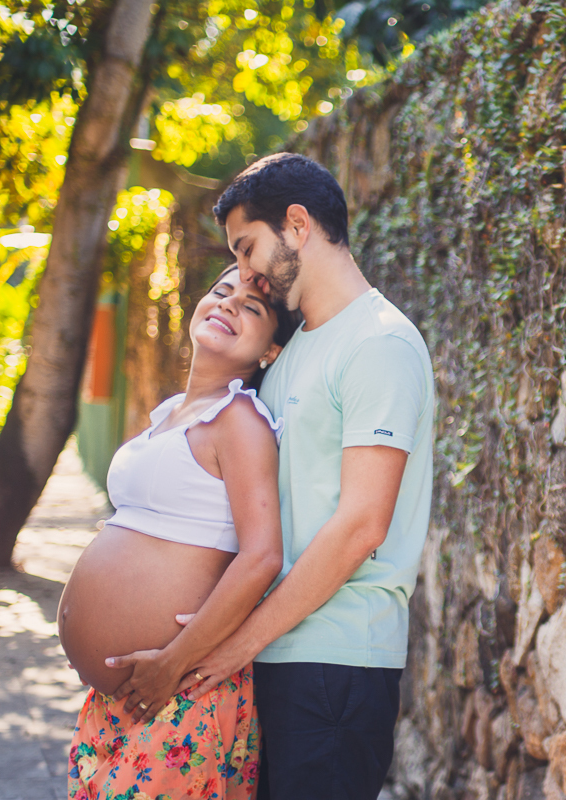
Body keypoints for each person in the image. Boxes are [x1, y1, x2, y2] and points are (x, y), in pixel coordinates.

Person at [168, 152, 436, 799]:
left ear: (296, 224)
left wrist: (237, 645)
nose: (243, 272)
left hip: (334, 665)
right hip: (277, 655)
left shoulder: (379, 344)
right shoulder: (296, 350)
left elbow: (361, 526)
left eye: (247, 248)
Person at [58, 265, 299, 799]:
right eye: (222, 291)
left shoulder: (240, 420)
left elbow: (262, 556)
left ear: (271, 351)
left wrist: (174, 661)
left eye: (252, 307)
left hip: (180, 687)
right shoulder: (170, 413)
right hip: (121, 698)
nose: (229, 303)